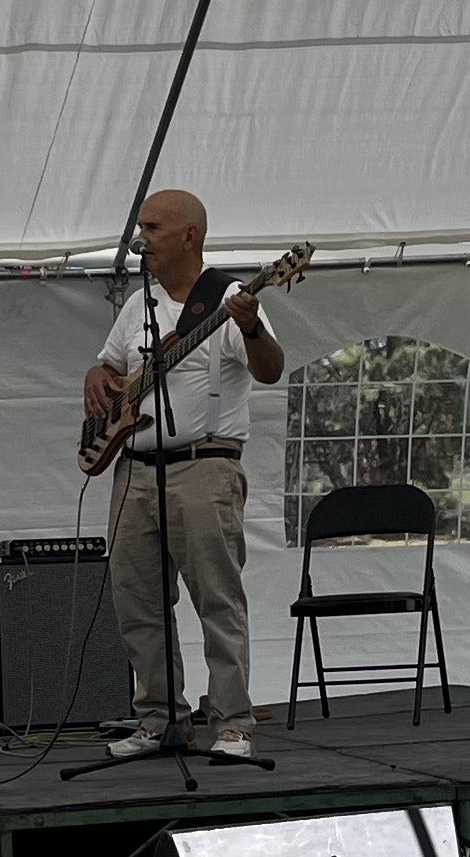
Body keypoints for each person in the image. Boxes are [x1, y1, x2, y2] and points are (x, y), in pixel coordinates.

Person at [82, 189, 284, 760]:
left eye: (151, 226)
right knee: (137, 599)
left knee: (217, 599)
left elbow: (270, 369)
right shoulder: (137, 303)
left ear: (188, 236)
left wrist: (250, 328)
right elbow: (112, 366)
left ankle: (233, 722)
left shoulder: (232, 299)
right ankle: (159, 719)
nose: (140, 236)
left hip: (204, 466)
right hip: (135, 470)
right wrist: (95, 377)